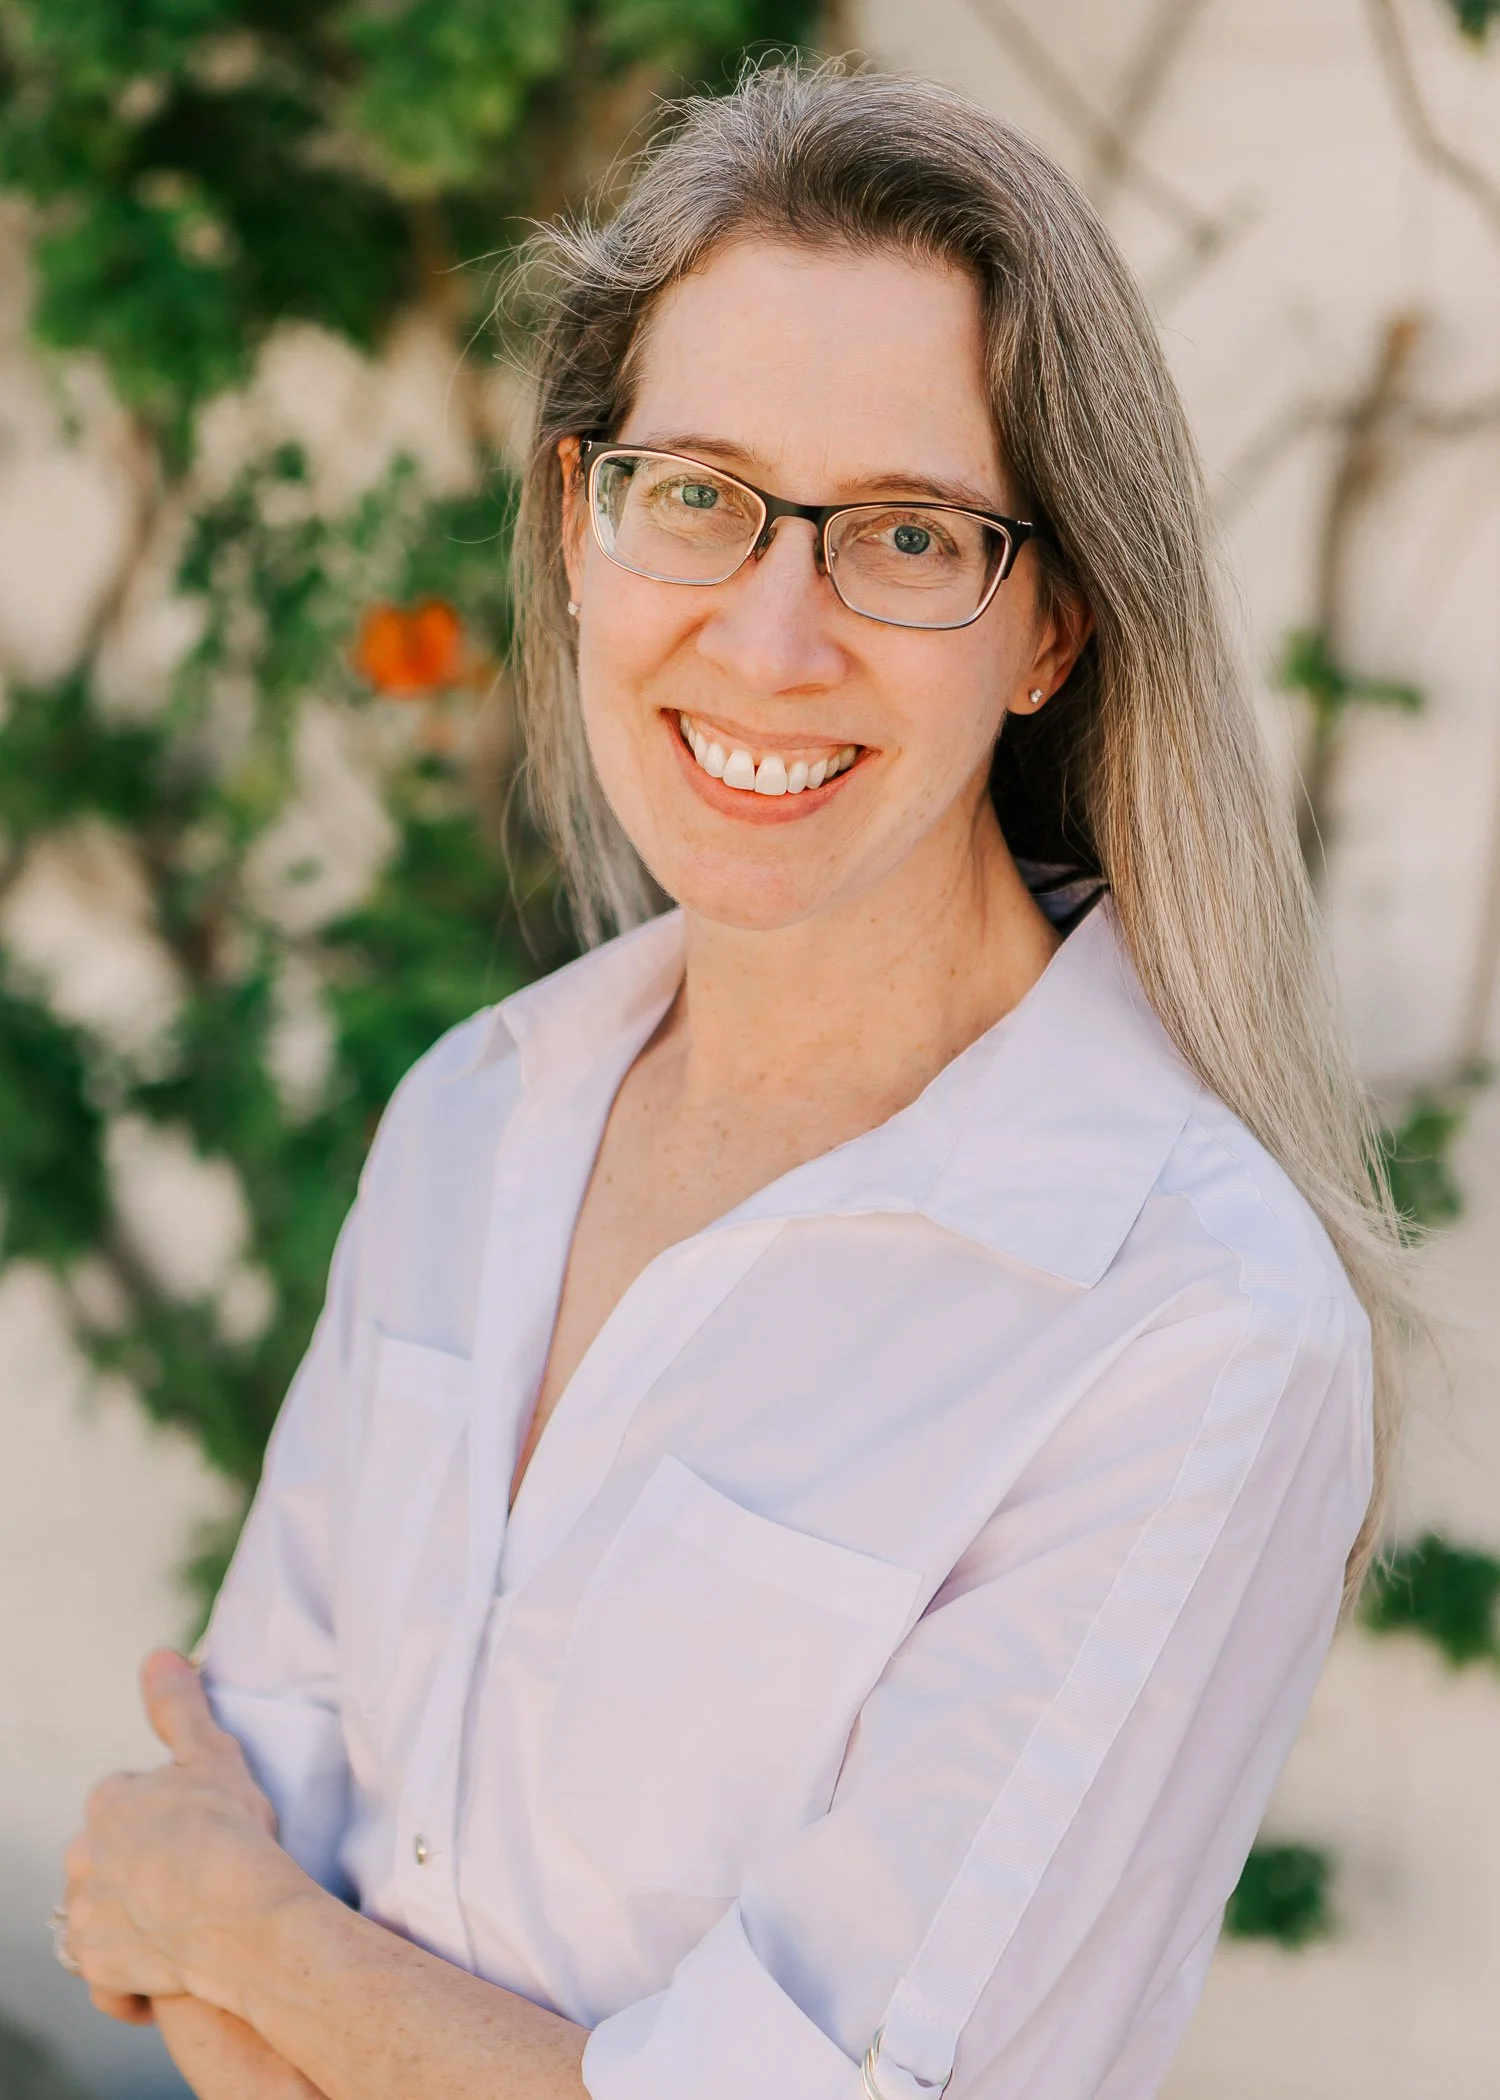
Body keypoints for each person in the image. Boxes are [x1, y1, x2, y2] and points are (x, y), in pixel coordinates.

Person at [59, 61, 1408, 2100]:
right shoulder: (476, 1117)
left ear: (1048, 623)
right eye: (695, 493)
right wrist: (259, 1960)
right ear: (580, 527)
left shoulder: (1189, 1330)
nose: (771, 639)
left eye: (903, 534)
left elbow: (208, 1912)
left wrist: (259, 1937)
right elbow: (189, 1922)